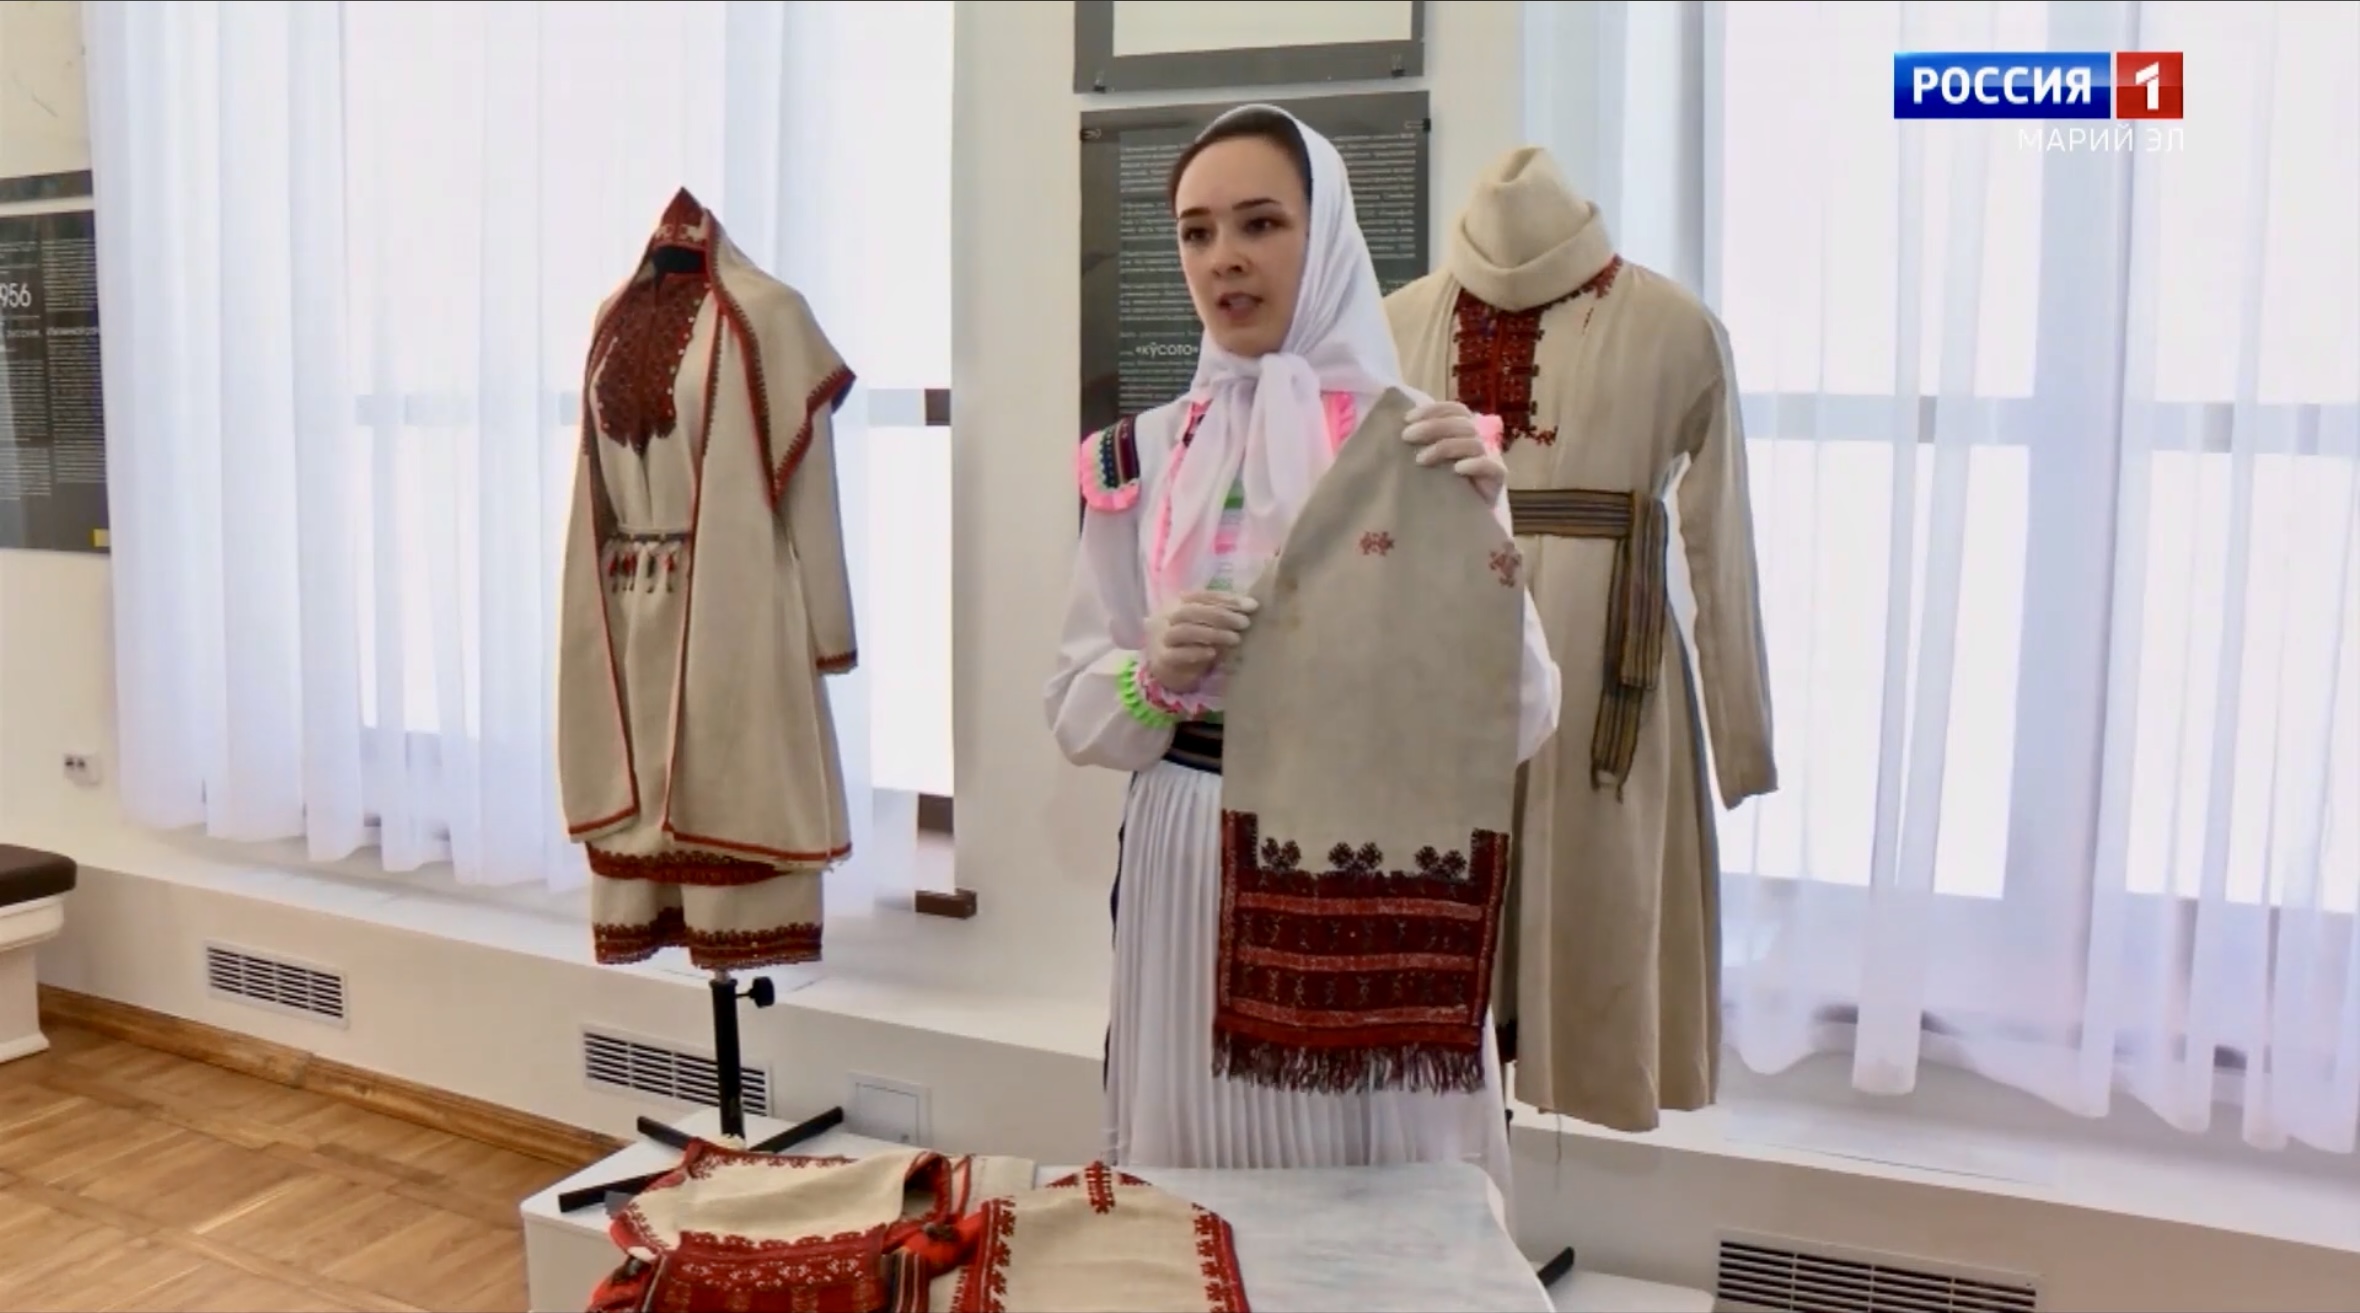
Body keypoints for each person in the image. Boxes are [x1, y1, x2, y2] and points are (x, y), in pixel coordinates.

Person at [1044, 104, 1563, 1195]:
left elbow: (1517, 716)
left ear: (1322, 235)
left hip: (1371, 850)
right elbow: (1075, 709)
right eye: (1195, 232)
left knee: (1384, 1173)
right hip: (1191, 853)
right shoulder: (1140, 455)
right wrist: (1149, 677)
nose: (1222, 258)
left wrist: (1476, 542)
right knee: (1203, 1171)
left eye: (1260, 223)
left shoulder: (1422, 444)